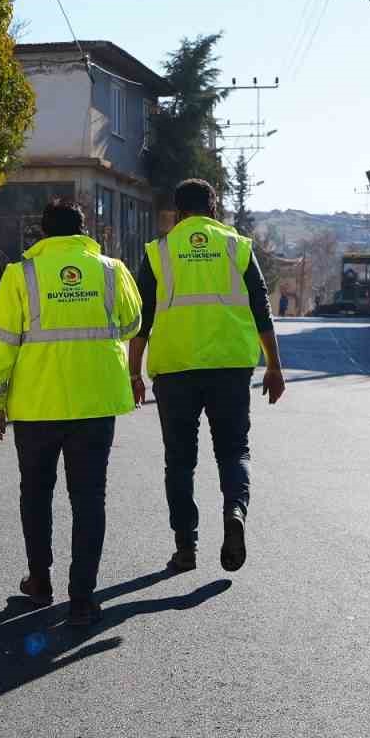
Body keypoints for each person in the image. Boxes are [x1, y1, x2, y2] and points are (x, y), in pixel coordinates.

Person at [0, 198, 143, 627]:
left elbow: (0, 342)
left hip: (37, 405)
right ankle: (83, 595)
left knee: (36, 493)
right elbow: (131, 323)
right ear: (85, 230)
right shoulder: (112, 270)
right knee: (89, 498)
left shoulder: (21, 275)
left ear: (43, 233)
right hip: (95, 402)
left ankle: (40, 580)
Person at [128, 178, 285, 577]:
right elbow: (261, 307)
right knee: (234, 452)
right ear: (214, 210)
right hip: (230, 366)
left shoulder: (159, 251)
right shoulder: (236, 246)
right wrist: (274, 365)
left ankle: (186, 548)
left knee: (179, 463)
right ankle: (234, 510)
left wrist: (133, 372)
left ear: (177, 213)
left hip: (175, 369)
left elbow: (141, 317)